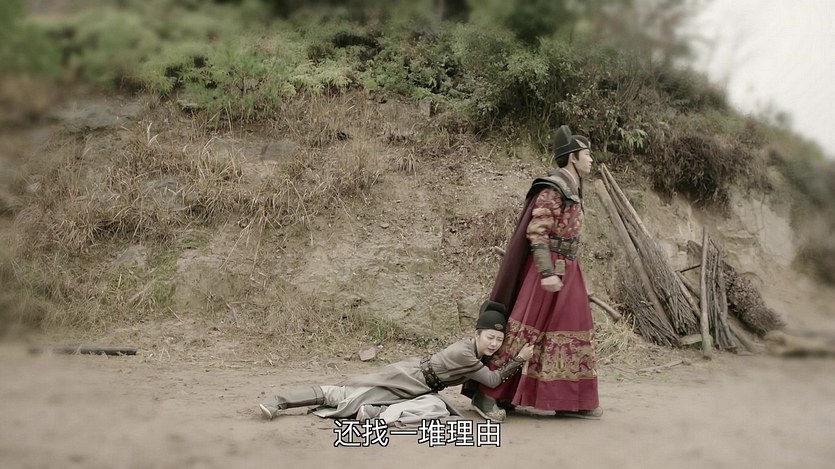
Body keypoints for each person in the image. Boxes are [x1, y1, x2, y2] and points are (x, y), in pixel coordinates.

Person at [467, 124, 601, 421]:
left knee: (571, 327)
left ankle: (568, 399)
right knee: (524, 329)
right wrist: (546, 271)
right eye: (587, 154)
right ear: (573, 157)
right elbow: (537, 231)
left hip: (570, 269)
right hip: (547, 269)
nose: (591, 159)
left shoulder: (574, 188)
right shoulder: (553, 188)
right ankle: (486, 393)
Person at [259, 301, 535, 426]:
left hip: (420, 385)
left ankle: (374, 413)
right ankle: (278, 401)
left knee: (437, 407)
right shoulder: (465, 354)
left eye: (499, 340)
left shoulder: (474, 351)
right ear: (477, 334)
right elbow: (492, 380)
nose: (494, 344)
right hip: (408, 377)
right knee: (343, 394)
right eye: (490, 337)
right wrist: (519, 359)